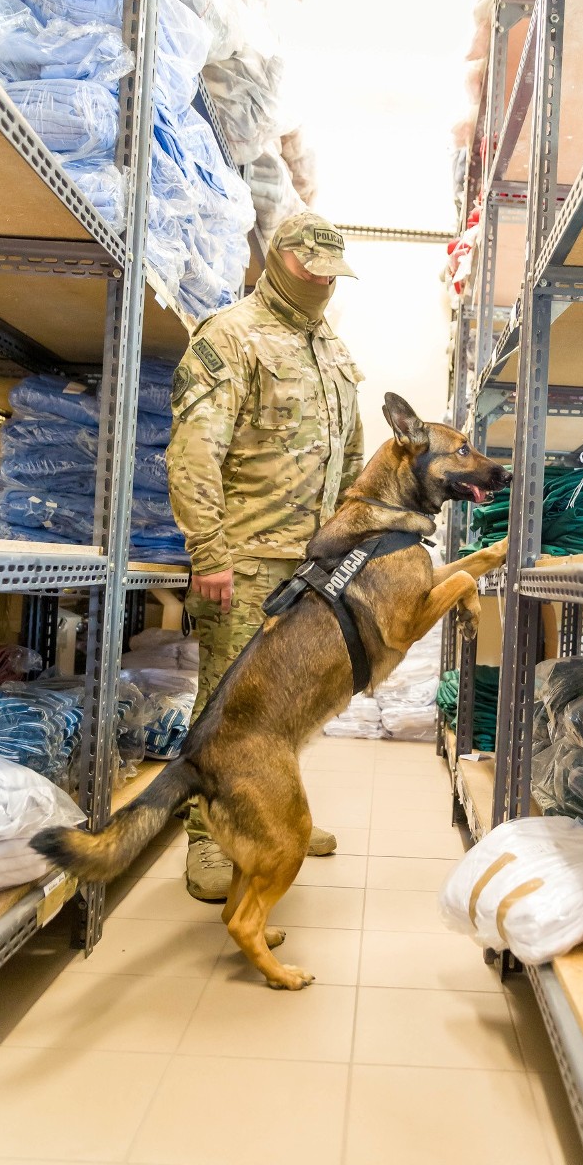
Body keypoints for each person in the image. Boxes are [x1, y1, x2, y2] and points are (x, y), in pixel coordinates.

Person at [167, 211, 364, 901]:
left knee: (289, 708)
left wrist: (349, 544)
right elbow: (195, 452)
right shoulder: (230, 336)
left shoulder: (330, 348)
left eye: (332, 273)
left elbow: (353, 455)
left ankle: (276, 814)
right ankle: (206, 840)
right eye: (312, 268)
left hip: (312, 570)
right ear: (279, 258)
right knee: (228, 711)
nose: (323, 283)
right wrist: (209, 551)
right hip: (245, 562)